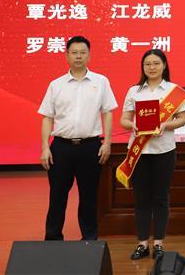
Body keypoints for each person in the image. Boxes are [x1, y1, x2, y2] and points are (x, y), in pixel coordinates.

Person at [38, 35, 117, 241]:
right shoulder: (56, 85)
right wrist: (45, 147)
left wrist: (107, 143)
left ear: (89, 55)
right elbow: (47, 117)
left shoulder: (101, 82)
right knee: (57, 195)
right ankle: (53, 237)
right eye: (74, 53)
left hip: (90, 147)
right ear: (67, 55)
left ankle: (89, 238)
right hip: (61, 148)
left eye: (83, 52)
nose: (78, 56)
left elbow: (108, 113)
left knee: (89, 196)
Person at [119, 50, 185, 260]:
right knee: (141, 199)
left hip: (164, 150)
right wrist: (133, 126)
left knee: (160, 197)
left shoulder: (175, 91)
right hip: (139, 151)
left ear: (164, 65)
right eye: (147, 64)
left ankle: (158, 243)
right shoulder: (134, 91)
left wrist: (165, 125)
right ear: (143, 67)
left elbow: (182, 119)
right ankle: (142, 244)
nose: (151, 67)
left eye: (156, 63)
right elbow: (124, 119)